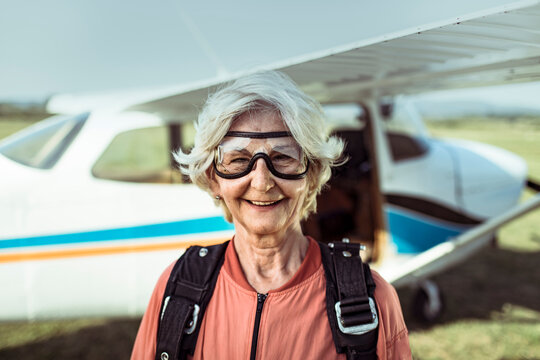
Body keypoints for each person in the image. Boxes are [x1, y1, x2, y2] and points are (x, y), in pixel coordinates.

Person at [131, 71, 411, 359]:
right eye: (238, 160)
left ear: (312, 175)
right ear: (213, 179)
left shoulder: (372, 300)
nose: (262, 182)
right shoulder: (176, 292)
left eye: (283, 157)